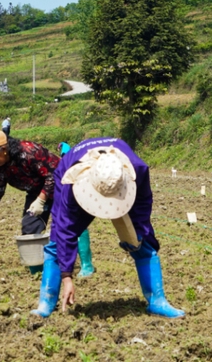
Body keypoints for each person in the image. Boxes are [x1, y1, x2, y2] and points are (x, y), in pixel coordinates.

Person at [32, 137, 184, 319]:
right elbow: (65, 231)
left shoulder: (137, 169)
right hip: (78, 179)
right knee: (58, 238)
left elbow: (143, 204)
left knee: (141, 236)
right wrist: (67, 277)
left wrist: (140, 234)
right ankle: (46, 303)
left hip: (120, 183)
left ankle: (157, 300)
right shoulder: (70, 181)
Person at [0, 129, 57, 241]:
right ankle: (35, 257)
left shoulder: (29, 152)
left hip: (62, 186)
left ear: (3, 149)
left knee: (67, 225)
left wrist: (41, 201)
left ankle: (82, 257)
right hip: (36, 192)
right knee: (29, 227)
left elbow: (53, 174)